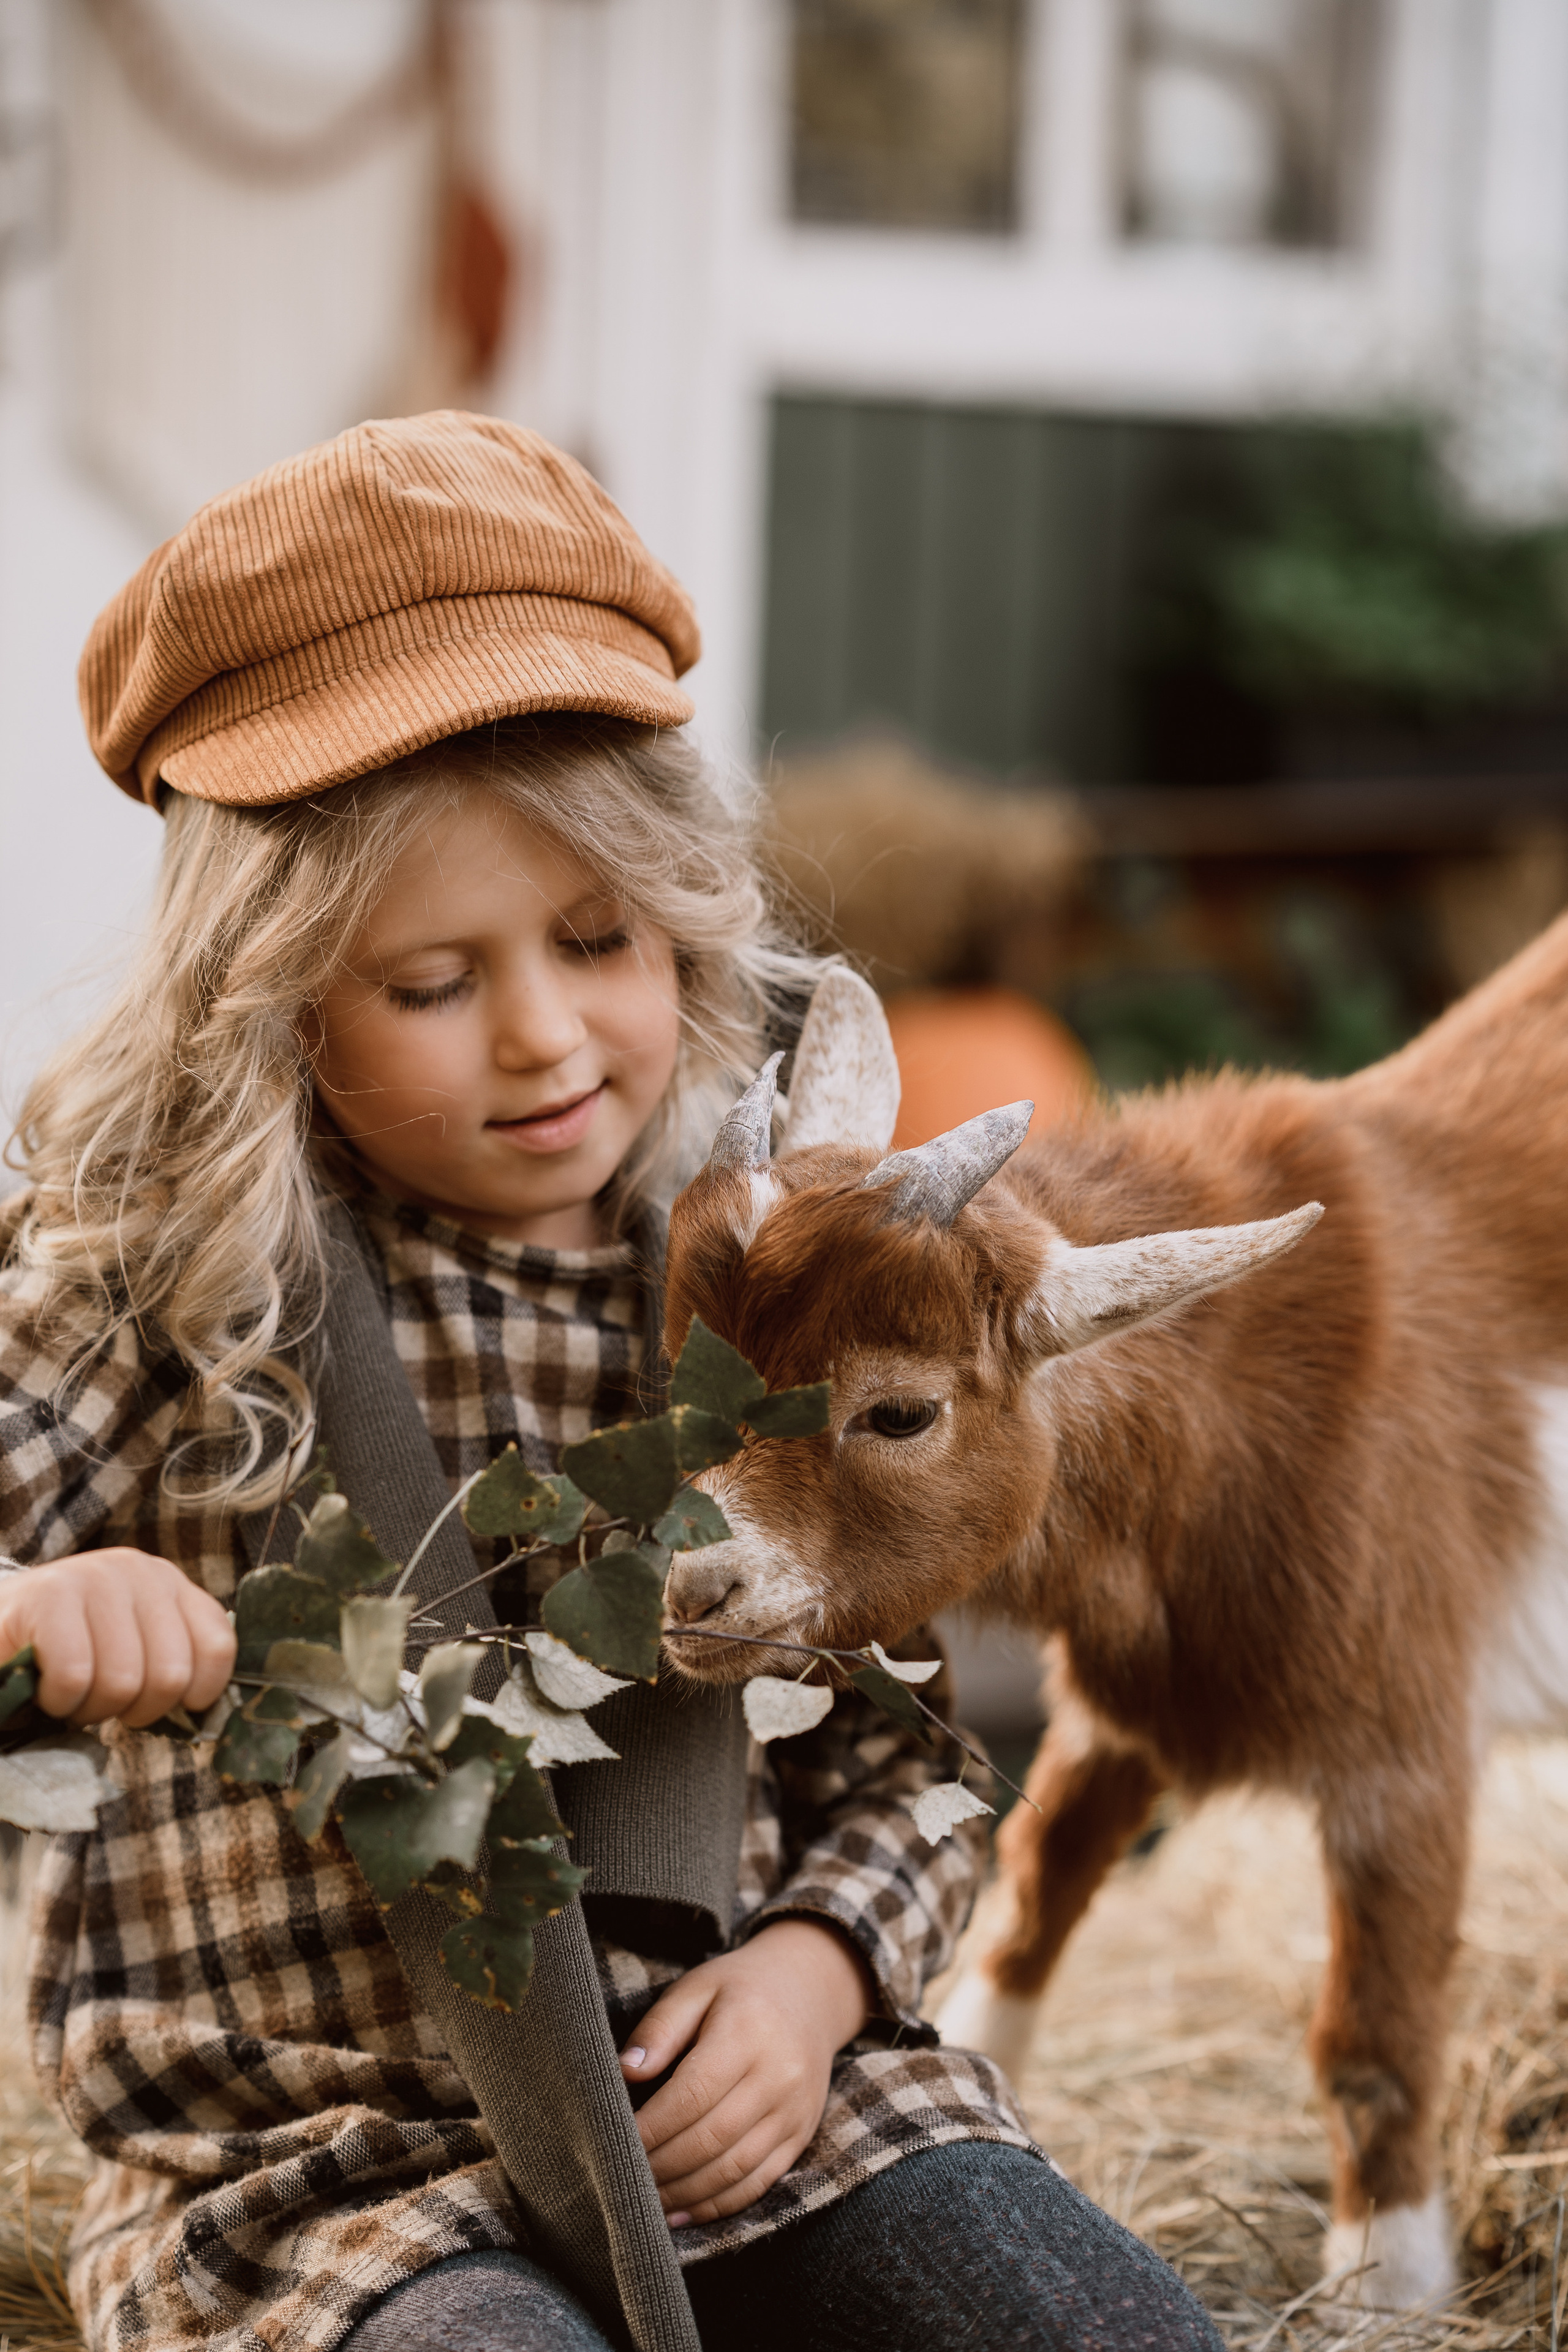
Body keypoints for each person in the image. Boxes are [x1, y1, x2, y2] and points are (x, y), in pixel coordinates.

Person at [0, 413, 1221, 2352]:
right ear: (271, 1003)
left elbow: (906, 1757)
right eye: (432, 984)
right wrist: (34, 1617)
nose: (549, 1037)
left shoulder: (762, 1283)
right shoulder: (146, 1300)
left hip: (772, 2122)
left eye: (599, 940)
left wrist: (822, 1973)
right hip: (333, 2180)